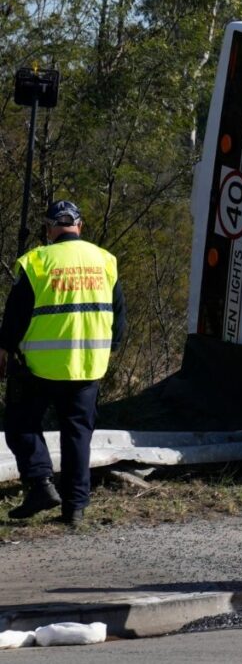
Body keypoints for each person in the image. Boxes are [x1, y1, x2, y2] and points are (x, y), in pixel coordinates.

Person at [0, 200, 126, 526]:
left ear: (49, 229)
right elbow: (119, 319)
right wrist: (109, 348)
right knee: (77, 436)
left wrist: (4, 348)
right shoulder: (105, 261)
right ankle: (74, 509)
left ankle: (40, 482)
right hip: (88, 366)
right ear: (79, 226)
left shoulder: (37, 262)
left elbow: (15, 316)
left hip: (40, 367)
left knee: (20, 424)